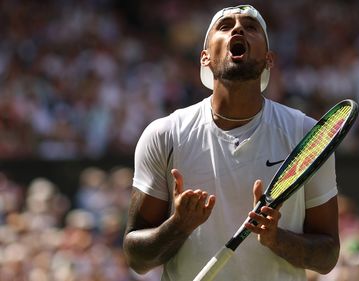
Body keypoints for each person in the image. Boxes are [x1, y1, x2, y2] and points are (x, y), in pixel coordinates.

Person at [123, 5, 340, 281]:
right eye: (225, 26)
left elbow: (328, 256)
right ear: (205, 58)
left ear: (268, 59)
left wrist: (276, 238)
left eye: (251, 27)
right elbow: (136, 258)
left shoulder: (306, 134)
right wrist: (178, 225)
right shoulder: (164, 134)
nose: (238, 29)